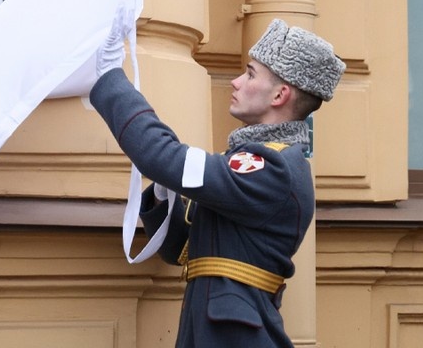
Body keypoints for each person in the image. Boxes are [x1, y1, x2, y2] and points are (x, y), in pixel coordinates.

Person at [90, 17, 345, 348]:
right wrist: (165, 189)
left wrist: (109, 77)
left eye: (251, 74)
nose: (236, 82)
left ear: (280, 94)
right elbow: (179, 250)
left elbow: (162, 156)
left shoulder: (272, 167)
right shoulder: (252, 161)